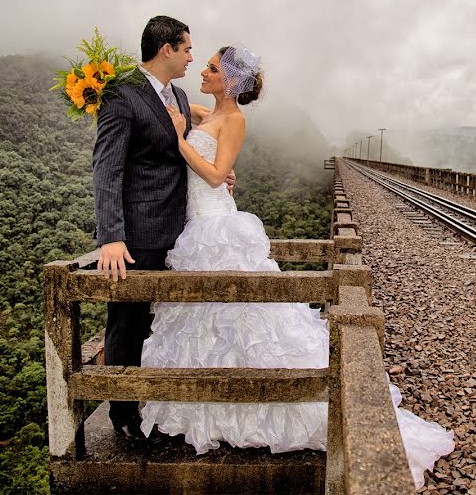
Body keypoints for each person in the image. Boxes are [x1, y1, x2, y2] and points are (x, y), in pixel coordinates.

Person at [139, 45, 454, 488]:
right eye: (204, 64)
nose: (204, 72)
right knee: (209, 319)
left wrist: (177, 140)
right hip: (196, 222)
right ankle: (212, 399)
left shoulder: (235, 120)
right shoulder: (201, 112)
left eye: (211, 68)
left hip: (215, 222)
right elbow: (162, 96)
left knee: (241, 319)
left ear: (229, 80)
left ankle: (259, 398)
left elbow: (214, 175)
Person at [92, 16, 235, 441]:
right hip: (138, 232)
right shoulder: (122, 94)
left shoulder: (179, 94)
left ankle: (167, 405)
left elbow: (187, 148)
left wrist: (220, 173)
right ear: (166, 49)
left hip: (182, 228)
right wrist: (112, 237)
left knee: (171, 324)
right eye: (188, 49)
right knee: (128, 322)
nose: (193, 56)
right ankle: (123, 416)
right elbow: (106, 168)